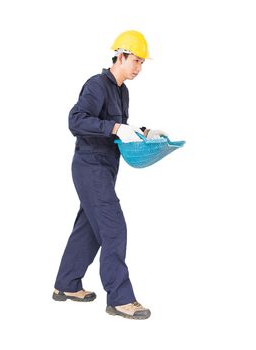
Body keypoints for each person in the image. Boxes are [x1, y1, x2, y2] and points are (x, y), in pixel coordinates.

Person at [52, 30, 168, 320]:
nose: (139, 68)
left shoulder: (122, 91)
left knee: (90, 229)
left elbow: (119, 126)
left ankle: (66, 285)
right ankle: (120, 298)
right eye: (136, 61)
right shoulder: (96, 85)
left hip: (105, 168)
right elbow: (76, 120)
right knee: (114, 228)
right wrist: (115, 129)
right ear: (120, 55)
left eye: (143, 63)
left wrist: (143, 133)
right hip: (90, 166)